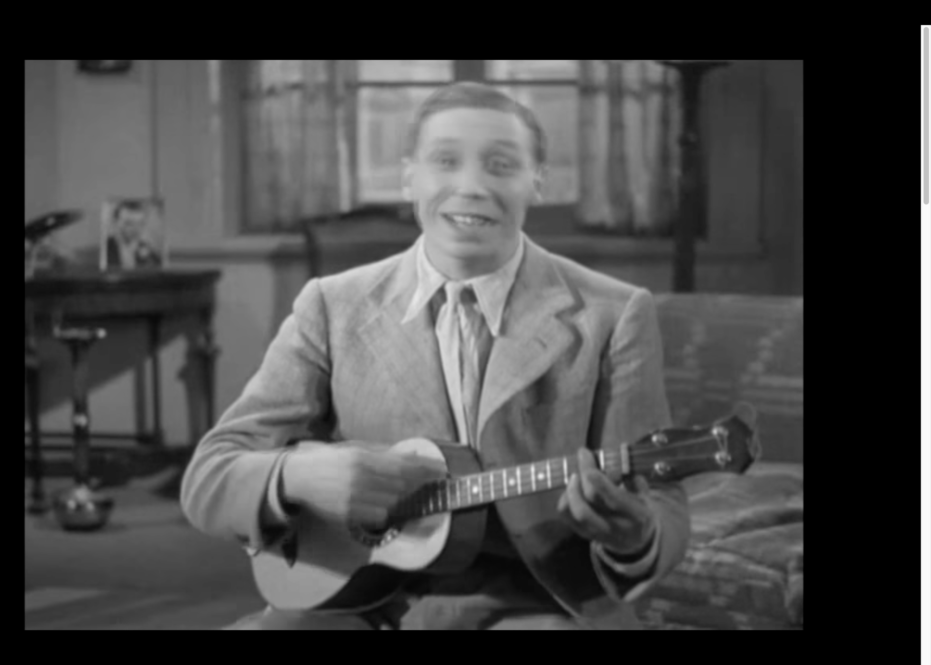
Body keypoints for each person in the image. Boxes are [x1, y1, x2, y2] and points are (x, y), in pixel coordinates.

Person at [180, 82, 689, 630]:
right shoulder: (331, 305)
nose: (470, 186)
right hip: (357, 596)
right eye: (446, 160)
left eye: (500, 164)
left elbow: (659, 500)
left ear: (535, 182)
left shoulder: (614, 314)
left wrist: (635, 538)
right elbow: (208, 477)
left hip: (537, 602)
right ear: (408, 177)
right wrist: (298, 475)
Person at [105, 201, 162, 269]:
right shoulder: (105, 249)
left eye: (140, 223)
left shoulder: (151, 256)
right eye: (129, 223)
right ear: (115, 222)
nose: (136, 229)